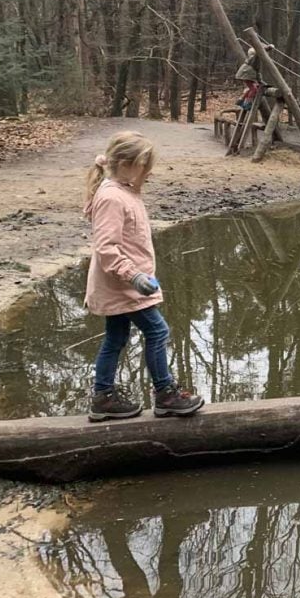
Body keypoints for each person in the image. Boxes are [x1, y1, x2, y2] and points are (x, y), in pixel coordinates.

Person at [83, 131, 204, 422]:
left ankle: (103, 397)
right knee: (157, 331)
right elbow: (106, 247)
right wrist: (134, 276)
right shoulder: (112, 197)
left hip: (125, 283)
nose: (148, 173)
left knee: (116, 337)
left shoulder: (123, 190)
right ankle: (165, 394)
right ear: (126, 163)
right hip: (123, 284)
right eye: (144, 166)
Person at [234, 43, 274, 111]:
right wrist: (268, 48)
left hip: (247, 74)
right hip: (246, 73)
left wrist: (261, 82)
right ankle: (247, 103)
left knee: (252, 88)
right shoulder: (253, 58)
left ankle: (240, 100)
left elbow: (257, 72)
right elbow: (258, 52)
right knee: (254, 89)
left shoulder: (256, 62)